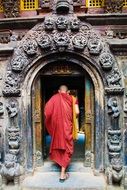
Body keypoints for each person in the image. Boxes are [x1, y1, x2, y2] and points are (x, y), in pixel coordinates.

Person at [44, 85, 79, 182]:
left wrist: (55, 120)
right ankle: (62, 174)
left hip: (58, 127)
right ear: (67, 92)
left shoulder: (54, 97)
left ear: (59, 91)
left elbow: (47, 112)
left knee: (59, 144)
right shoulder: (73, 98)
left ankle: (61, 169)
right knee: (67, 147)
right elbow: (77, 112)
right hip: (68, 127)